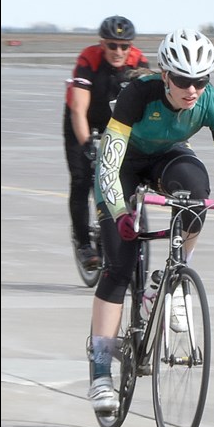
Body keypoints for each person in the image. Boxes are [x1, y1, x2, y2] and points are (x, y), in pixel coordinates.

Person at [87, 28, 214, 416]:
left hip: (168, 156)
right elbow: (108, 167)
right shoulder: (137, 95)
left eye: (200, 80)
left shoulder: (213, 102)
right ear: (164, 75)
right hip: (124, 163)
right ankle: (100, 371)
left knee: (197, 195)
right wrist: (120, 214)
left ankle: (171, 277)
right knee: (119, 266)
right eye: (182, 80)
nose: (192, 89)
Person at [63, 15, 149, 269]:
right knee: (82, 179)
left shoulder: (138, 61)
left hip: (115, 122)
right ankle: (83, 243)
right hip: (82, 120)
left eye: (124, 46)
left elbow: (145, 104)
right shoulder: (89, 59)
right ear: (102, 44)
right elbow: (78, 108)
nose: (118, 51)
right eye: (112, 45)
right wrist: (88, 145)